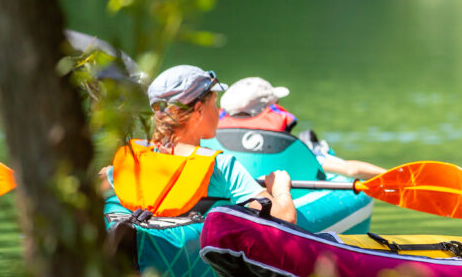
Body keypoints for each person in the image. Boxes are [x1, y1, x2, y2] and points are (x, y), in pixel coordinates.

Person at [104, 65, 297, 223]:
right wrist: (280, 188)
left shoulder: (132, 160)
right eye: (214, 103)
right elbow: (286, 219)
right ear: (198, 110)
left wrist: (109, 171)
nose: (218, 110)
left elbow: (99, 180)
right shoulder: (221, 167)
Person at [219, 76, 385, 180]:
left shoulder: (210, 147)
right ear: (269, 109)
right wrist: (393, 176)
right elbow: (351, 169)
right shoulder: (288, 151)